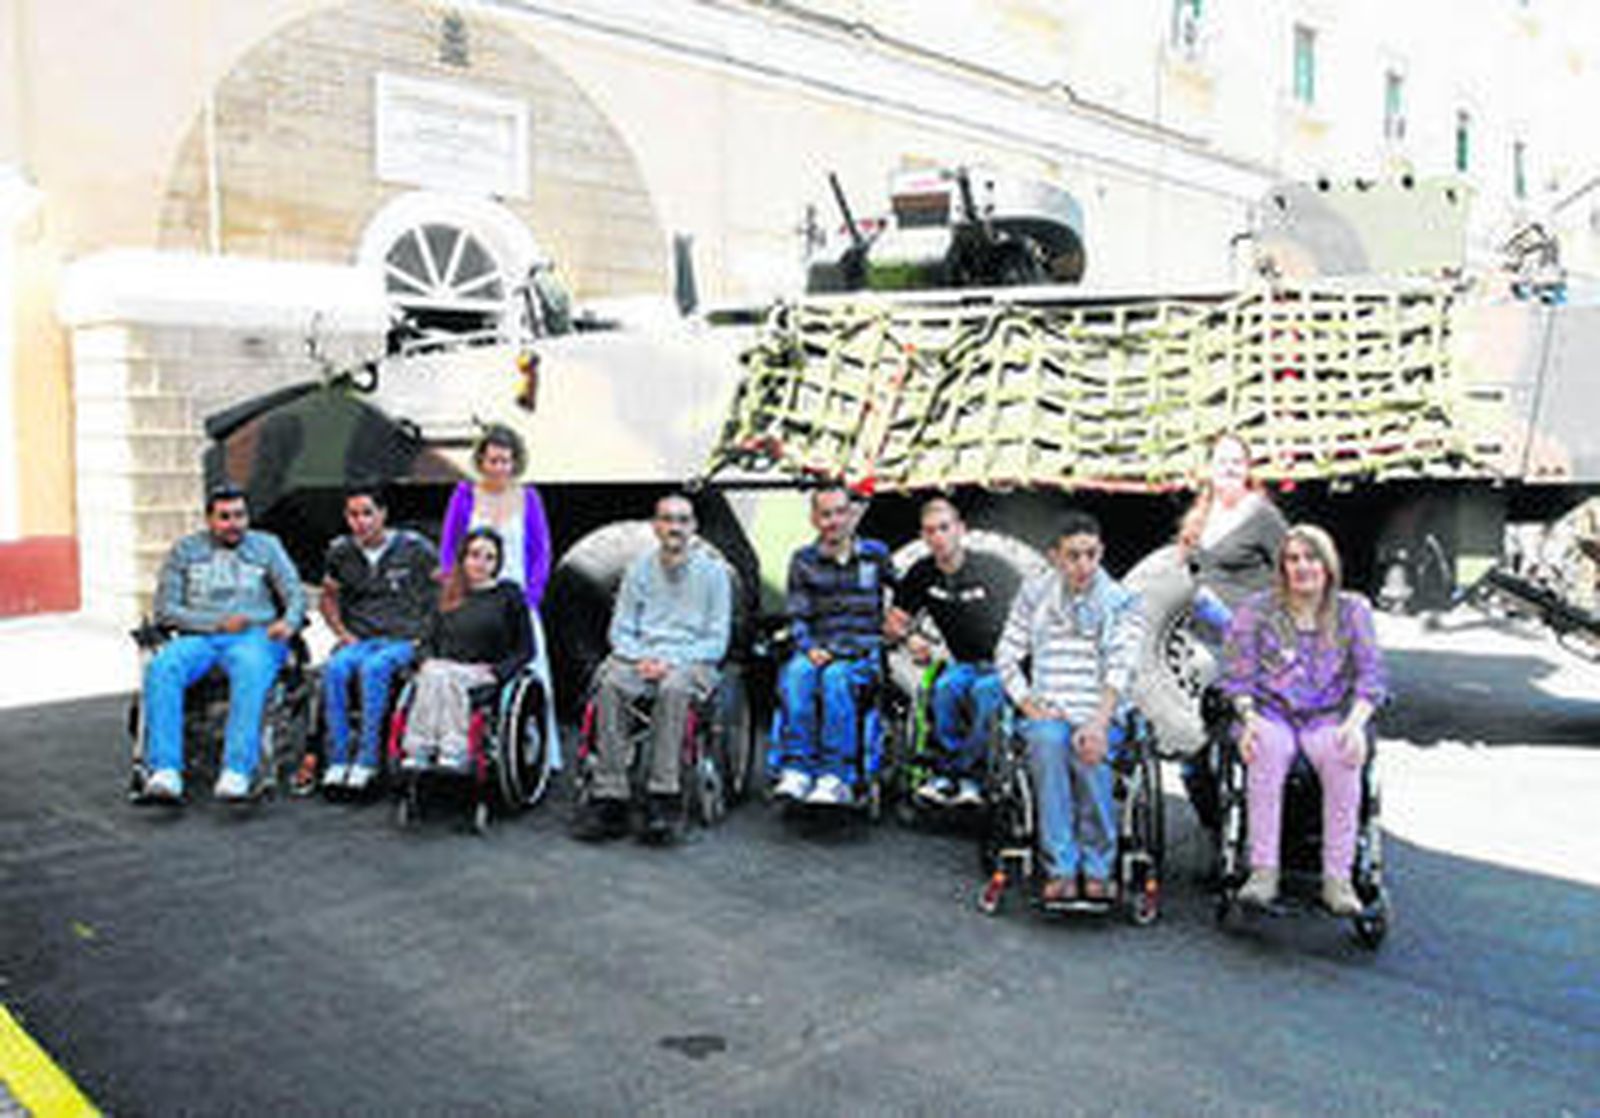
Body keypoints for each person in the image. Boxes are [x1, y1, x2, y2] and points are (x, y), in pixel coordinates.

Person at [1220, 523, 1387, 917]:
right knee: (1264, 747)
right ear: (1282, 568)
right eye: (1292, 559)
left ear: (1327, 565)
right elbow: (1238, 674)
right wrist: (1248, 717)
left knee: (1344, 754)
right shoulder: (1258, 611)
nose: (1302, 567)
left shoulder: (1352, 611)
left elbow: (1371, 676)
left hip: (1330, 715)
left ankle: (1338, 879)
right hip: (1271, 711)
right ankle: (1263, 871)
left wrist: (1357, 723)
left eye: (1311, 558)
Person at [995, 511, 1144, 902]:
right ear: (1055, 557)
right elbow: (1006, 655)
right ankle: (1060, 865)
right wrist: (1027, 703)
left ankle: (1098, 865)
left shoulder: (1121, 601)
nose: (1083, 565)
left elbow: (1122, 667)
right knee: (1047, 740)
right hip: (1051, 709)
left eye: (1091, 555)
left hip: (1100, 710)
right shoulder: (1035, 595)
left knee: (1088, 749)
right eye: (1073, 556)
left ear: (1101, 553)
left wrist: (1098, 721)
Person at [572, 494, 733, 843]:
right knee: (611, 683)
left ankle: (664, 795)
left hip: (692, 660)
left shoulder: (714, 574)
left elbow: (717, 640)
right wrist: (639, 658)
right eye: (667, 519)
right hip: (640, 657)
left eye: (682, 520)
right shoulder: (638, 569)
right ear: (655, 526)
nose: (674, 527)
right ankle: (610, 794)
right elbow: (620, 629)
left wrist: (671, 662)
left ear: (693, 527)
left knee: (674, 689)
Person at [140, 484, 307, 802]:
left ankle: (237, 770)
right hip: (200, 636)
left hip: (254, 635)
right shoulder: (185, 551)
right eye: (225, 517)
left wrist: (289, 622)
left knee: (251, 668)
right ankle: (165, 770)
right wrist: (215, 624)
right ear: (209, 520)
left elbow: (294, 594)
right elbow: (165, 609)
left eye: (240, 516)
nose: (234, 524)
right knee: (162, 667)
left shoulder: (267, 546)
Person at [1176, 433, 1288, 828]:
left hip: (1246, 632)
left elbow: (1289, 574)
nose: (1229, 468)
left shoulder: (1263, 517)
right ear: (1208, 468)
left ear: (1248, 470)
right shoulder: (1199, 517)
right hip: (1201, 634)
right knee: (1188, 739)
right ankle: (1210, 813)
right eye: (1221, 461)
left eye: (1237, 462)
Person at [439, 423, 561, 766]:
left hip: (515, 598)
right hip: (473, 595)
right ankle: (460, 746)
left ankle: (535, 755)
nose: (499, 468)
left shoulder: (529, 498)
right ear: (481, 461)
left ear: (515, 462)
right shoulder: (464, 494)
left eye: (505, 461)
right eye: (492, 460)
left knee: (530, 669)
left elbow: (541, 552)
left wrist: (531, 599)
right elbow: (450, 549)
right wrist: (455, 591)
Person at [887, 497, 1021, 807]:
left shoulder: (992, 569)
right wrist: (909, 638)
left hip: (1004, 665)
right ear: (923, 537)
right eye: (930, 531)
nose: (938, 537)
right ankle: (947, 777)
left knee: (986, 693)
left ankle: (970, 776)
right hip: (964, 663)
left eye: (944, 528)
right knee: (945, 689)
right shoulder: (922, 573)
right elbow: (893, 623)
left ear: (960, 530)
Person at [774, 486, 895, 807]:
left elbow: (903, 600)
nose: (834, 521)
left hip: (860, 651)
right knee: (797, 675)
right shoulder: (803, 561)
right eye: (826, 514)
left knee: (835, 679)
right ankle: (797, 770)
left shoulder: (876, 555)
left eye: (841, 512)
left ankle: (836, 776)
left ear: (853, 514)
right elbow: (797, 615)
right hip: (817, 648)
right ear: (814, 519)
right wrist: (809, 646)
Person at [318, 483, 438, 794]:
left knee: (374, 669)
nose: (361, 522)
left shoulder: (415, 548)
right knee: (334, 669)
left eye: (368, 513)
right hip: (361, 637)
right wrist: (342, 634)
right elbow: (328, 597)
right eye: (353, 515)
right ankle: (338, 759)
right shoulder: (341, 551)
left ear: (383, 514)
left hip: (403, 638)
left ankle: (368, 760)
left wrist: (425, 637)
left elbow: (443, 591)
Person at [400, 527, 532, 769]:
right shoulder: (447, 592)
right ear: (463, 558)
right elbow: (425, 640)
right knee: (435, 673)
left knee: (444, 677)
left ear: (498, 562)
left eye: (489, 557)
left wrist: (498, 672)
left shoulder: (508, 595)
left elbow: (526, 648)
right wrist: (425, 659)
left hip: (483, 671)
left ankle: (451, 748)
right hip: (442, 670)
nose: (481, 563)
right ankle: (423, 748)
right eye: (474, 555)